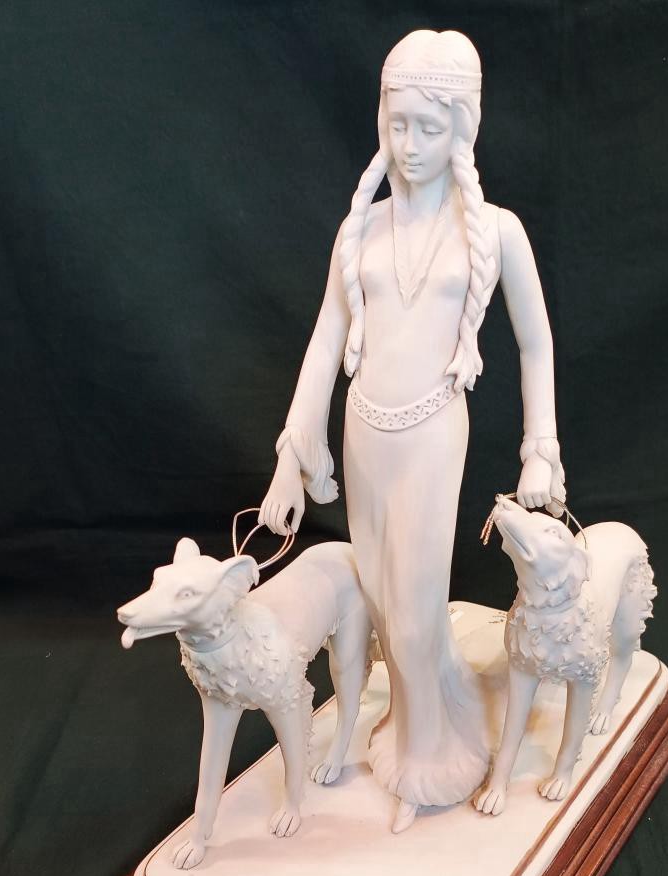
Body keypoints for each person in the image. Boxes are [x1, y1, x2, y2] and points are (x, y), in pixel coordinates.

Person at [260, 28, 565, 832]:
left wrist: (540, 449)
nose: (409, 143)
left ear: (463, 128)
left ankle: (426, 765)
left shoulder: (494, 231)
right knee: (378, 596)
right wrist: (292, 456)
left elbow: (535, 344)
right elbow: (325, 340)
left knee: (416, 608)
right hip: (363, 432)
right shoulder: (360, 228)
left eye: (428, 127)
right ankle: (409, 725)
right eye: (397, 123)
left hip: (432, 434)